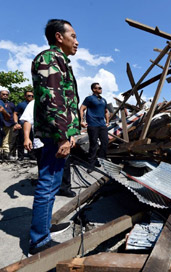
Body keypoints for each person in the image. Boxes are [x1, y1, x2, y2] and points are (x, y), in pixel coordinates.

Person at [29, 19, 80, 255]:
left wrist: (72, 133)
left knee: (53, 184)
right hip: (53, 135)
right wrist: (62, 136)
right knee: (47, 184)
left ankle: (44, 227)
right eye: (73, 36)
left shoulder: (61, 61)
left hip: (59, 134)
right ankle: (39, 243)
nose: (77, 42)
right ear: (59, 37)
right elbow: (52, 100)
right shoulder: (49, 59)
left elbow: (67, 102)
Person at [21, 100, 76, 197]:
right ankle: (46, 191)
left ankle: (64, 188)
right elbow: (27, 120)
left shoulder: (62, 101)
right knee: (45, 168)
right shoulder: (34, 102)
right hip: (42, 142)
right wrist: (26, 138)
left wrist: (71, 136)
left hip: (62, 141)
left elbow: (67, 122)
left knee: (65, 166)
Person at [79, 83, 109, 173]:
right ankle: (91, 165)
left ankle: (100, 160)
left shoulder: (103, 100)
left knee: (105, 143)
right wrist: (81, 121)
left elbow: (106, 111)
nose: (100, 89)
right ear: (93, 89)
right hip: (92, 125)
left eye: (101, 87)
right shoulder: (89, 99)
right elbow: (82, 108)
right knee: (93, 145)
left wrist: (107, 122)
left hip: (102, 125)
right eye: (98, 88)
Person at [13, 90, 34, 160]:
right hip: (22, 125)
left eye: (32, 96)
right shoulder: (21, 104)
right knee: (21, 140)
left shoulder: (34, 104)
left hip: (32, 125)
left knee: (32, 139)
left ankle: (31, 155)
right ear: (25, 96)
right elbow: (15, 113)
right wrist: (16, 123)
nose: (30, 97)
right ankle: (20, 156)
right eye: (29, 95)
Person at [0, 90, 16, 160]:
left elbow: (11, 115)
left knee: (7, 141)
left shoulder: (11, 104)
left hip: (7, 124)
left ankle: (6, 155)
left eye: (6, 94)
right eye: (3, 94)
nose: (5, 95)